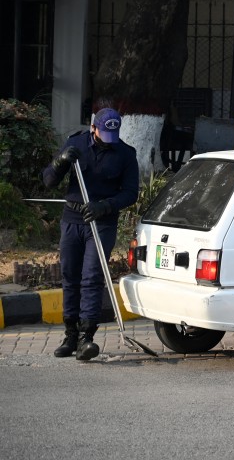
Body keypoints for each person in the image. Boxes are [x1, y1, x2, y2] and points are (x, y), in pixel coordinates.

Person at [42, 108, 139, 361]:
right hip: (73, 220)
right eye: (104, 133)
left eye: (113, 134)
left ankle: (87, 337)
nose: (108, 139)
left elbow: (130, 193)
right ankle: (70, 335)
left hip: (102, 222)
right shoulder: (75, 143)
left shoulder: (125, 154)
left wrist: (105, 205)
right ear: (93, 128)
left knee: (92, 277)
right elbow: (48, 181)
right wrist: (60, 161)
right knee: (70, 276)